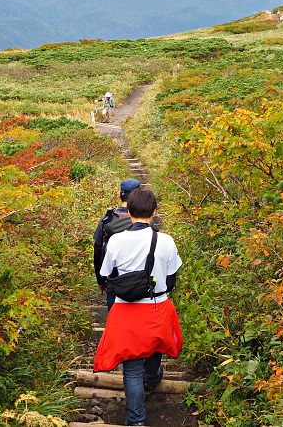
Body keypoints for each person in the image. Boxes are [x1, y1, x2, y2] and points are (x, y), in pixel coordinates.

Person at [94, 189, 183, 427]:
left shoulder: (115, 240)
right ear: (155, 212)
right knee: (155, 346)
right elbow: (171, 279)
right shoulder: (166, 241)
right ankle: (152, 378)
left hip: (126, 311)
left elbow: (107, 275)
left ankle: (136, 420)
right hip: (156, 307)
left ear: (129, 212)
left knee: (131, 368)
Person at [93, 178, 141, 310]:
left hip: (114, 279)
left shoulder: (108, 219)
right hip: (140, 281)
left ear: (120, 195)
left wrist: (101, 279)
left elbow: (97, 248)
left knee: (115, 320)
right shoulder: (144, 220)